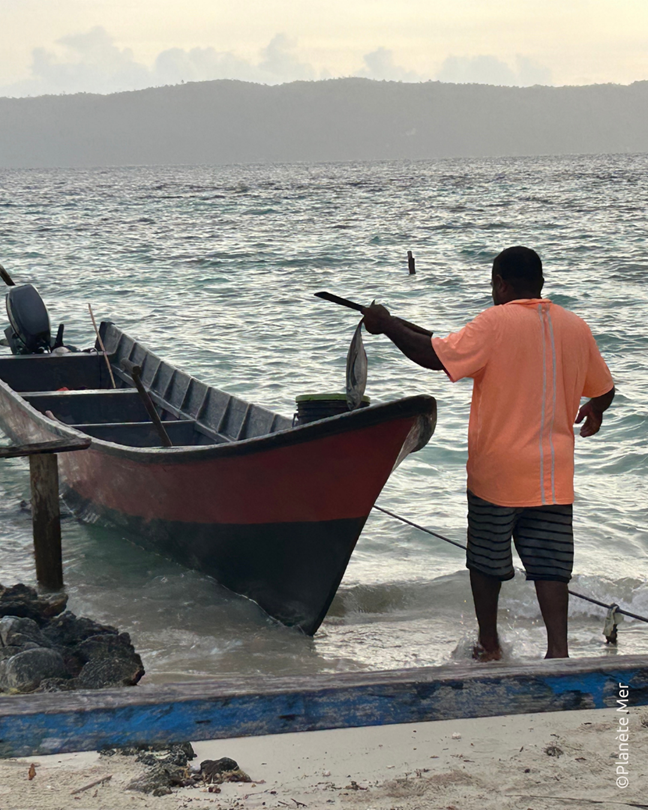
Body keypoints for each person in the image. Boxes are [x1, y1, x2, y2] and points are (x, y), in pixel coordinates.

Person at [362, 246, 614, 660]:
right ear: (540, 283)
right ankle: (558, 654)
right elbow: (605, 389)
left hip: (498, 474)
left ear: (501, 283)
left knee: (485, 561)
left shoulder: (494, 322)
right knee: (551, 567)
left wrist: (386, 325)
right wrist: (595, 410)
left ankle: (489, 645)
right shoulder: (575, 326)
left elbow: (433, 356)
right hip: (552, 477)